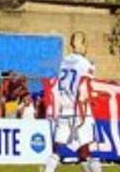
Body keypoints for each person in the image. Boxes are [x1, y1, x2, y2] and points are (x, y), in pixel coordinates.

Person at [42, 32, 101, 172]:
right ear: (77, 44)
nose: (86, 46)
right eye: (84, 42)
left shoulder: (64, 61)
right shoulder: (85, 63)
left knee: (58, 146)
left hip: (64, 109)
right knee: (88, 145)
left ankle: (48, 170)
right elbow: (84, 85)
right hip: (79, 109)